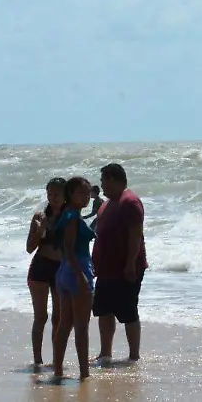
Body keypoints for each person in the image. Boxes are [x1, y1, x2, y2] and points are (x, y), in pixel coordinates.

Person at [92, 162, 148, 365]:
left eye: (104, 181)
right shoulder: (107, 204)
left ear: (115, 180)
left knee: (128, 311)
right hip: (105, 269)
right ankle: (105, 353)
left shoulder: (129, 202)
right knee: (104, 310)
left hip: (125, 268)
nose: (102, 185)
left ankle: (134, 356)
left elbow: (136, 235)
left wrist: (131, 264)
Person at [51, 176, 96, 380]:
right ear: (70, 194)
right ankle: (84, 373)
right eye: (81, 193)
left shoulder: (69, 214)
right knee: (80, 326)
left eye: (88, 193)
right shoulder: (71, 216)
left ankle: (58, 370)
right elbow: (69, 249)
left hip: (64, 271)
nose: (86, 196)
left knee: (65, 323)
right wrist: (81, 275)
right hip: (76, 269)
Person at [27, 177, 66, 368]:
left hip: (61, 269)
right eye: (49, 194)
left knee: (58, 317)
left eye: (57, 194)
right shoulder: (39, 216)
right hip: (41, 267)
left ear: (65, 195)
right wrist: (40, 230)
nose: (53, 198)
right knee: (40, 316)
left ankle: (55, 360)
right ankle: (37, 360)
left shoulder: (70, 216)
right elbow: (29, 248)